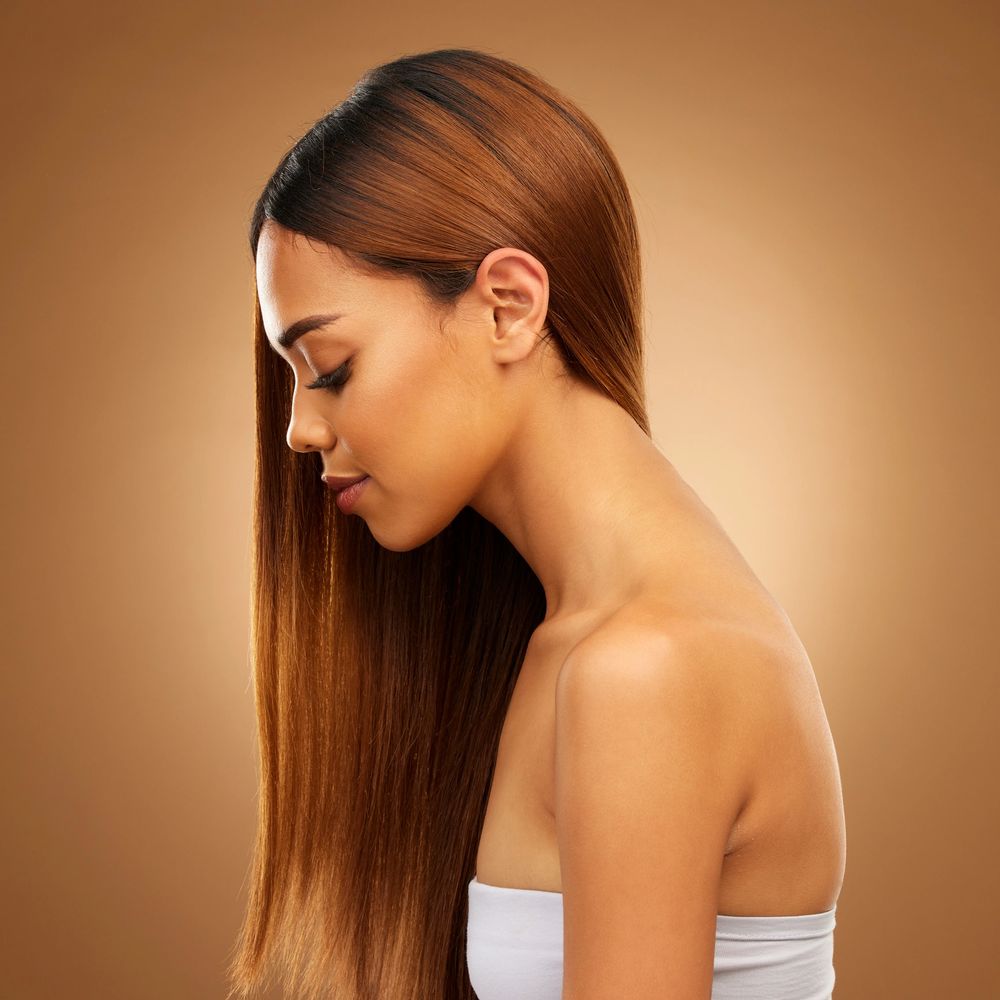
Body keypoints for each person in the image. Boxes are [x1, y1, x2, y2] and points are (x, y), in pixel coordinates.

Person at [227, 48, 846, 1000]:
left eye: (333, 366)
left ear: (508, 307)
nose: (301, 428)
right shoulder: (569, 639)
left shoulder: (645, 669)